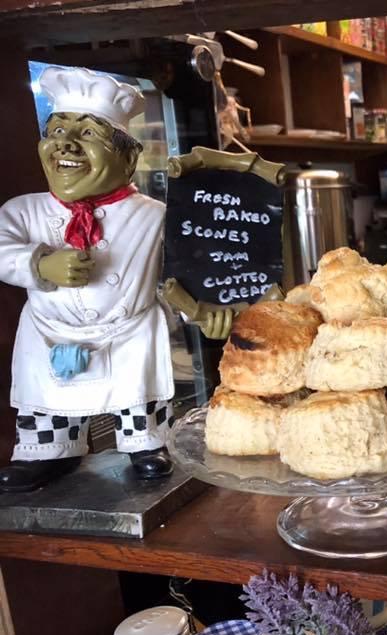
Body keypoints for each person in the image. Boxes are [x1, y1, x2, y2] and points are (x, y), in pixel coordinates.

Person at [0, 66, 232, 492]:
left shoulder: (154, 215)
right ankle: (46, 453)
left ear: (128, 158)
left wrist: (206, 310)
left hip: (128, 333)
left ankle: (145, 445)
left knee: (136, 397)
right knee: (48, 404)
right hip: (48, 331)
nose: (65, 143)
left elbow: (181, 272)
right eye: (56, 131)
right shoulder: (22, 211)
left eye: (87, 134)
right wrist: (37, 263)